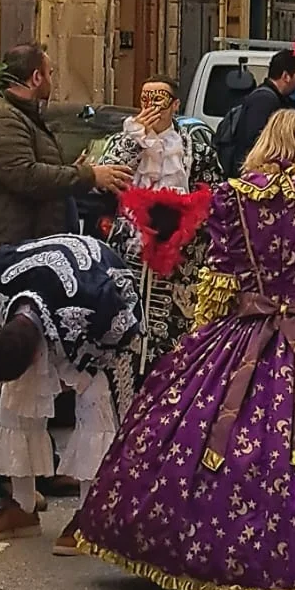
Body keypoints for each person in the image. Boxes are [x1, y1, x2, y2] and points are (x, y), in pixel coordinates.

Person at [73, 109, 295, 590]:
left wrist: (198, 349)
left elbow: (217, 280)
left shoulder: (236, 196)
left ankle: (206, 548)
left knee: (202, 437)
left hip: (242, 335)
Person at [0, 234, 141, 554]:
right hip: (45, 297)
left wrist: (83, 363)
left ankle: (90, 515)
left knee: (96, 406)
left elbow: (121, 334)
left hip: (102, 311)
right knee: (17, 397)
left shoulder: (98, 303)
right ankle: (22, 506)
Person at [100, 76, 222, 373]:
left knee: (174, 337)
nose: (152, 107)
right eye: (146, 99)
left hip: (181, 255)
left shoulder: (195, 147)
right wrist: (135, 138)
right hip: (131, 250)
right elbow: (106, 180)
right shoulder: (123, 140)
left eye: (159, 99)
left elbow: (215, 195)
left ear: (175, 105)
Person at [0, 44, 130, 249]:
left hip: (29, 240)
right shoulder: (0, 116)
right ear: (36, 77)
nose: (52, 81)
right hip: (10, 244)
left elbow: (33, 167)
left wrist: (70, 170)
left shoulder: (21, 114)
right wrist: (90, 175)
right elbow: (24, 176)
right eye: (49, 73)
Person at [213, 49, 295, 177]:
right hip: (253, 176)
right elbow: (255, 141)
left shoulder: (272, 99)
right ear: (285, 76)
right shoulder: (264, 100)